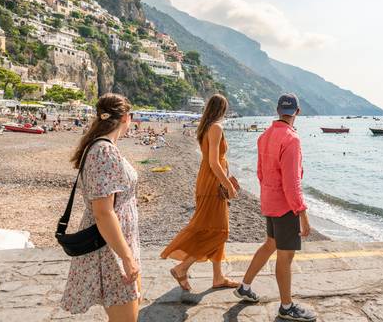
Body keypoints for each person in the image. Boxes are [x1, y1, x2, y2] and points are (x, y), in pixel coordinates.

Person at [234, 93, 316, 322]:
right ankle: (286, 306)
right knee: (285, 256)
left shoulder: (265, 136)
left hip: (269, 201)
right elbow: (292, 182)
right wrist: (303, 214)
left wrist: (269, 195)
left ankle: (244, 287)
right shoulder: (292, 139)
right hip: (285, 206)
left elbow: (260, 172)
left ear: (278, 110)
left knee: (270, 244)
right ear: (297, 112)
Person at [61, 93, 141, 322]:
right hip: (111, 247)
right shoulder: (104, 151)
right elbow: (103, 211)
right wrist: (126, 257)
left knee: (128, 311)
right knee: (125, 318)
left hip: (117, 242)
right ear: (127, 118)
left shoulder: (102, 147)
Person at [160, 94, 240, 291]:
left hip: (208, 181)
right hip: (213, 184)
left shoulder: (206, 127)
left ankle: (218, 277)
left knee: (213, 228)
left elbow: (213, 160)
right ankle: (182, 268)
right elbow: (214, 162)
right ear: (222, 109)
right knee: (218, 231)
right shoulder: (216, 127)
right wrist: (228, 186)